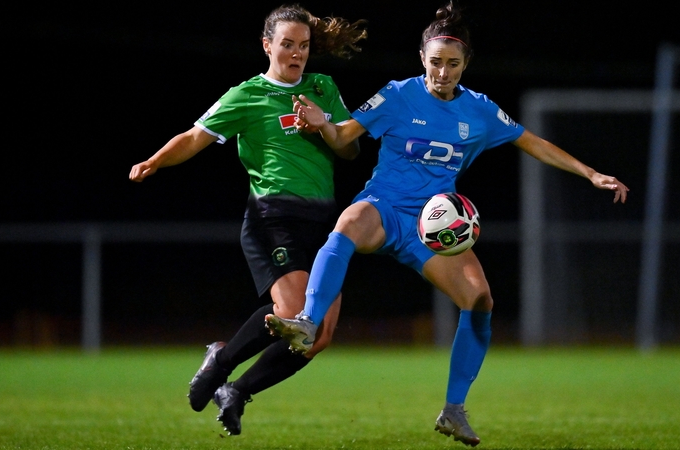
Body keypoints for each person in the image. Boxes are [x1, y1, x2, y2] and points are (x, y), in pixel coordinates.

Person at [265, 1, 629, 446]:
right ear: (422, 59)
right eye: (435, 62)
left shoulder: (479, 111)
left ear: (465, 64)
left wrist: (591, 173)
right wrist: (323, 124)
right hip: (383, 206)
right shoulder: (398, 95)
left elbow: (531, 142)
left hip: (432, 225)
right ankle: (306, 320)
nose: (443, 72)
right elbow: (343, 136)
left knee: (479, 300)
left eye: (452, 64)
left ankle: (454, 409)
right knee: (346, 225)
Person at [129, 3, 367, 436]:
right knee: (296, 313)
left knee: (318, 335)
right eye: (287, 45)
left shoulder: (322, 87)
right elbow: (194, 137)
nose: (296, 54)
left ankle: (236, 390)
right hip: (272, 215)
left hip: (323, 223)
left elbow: (350, 150)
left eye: (304, 46)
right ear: (267, 45)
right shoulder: (247, 94)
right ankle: (220, 359)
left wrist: (325, 127)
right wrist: (156, 161)